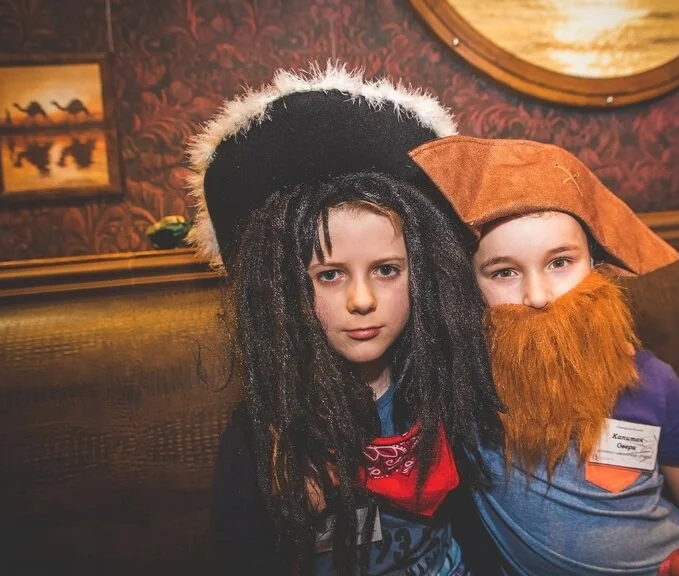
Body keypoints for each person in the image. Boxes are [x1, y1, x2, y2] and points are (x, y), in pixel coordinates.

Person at [186, 67, 503, 576]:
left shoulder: (444, 385)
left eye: (386, 270)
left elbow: (478, 520)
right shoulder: (265, 435)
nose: (361, 300)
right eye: (329, 275)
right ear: (283, 287)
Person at [410, 135, 679, 575]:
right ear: (469, 287)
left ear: (594, 266)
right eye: (505, 272)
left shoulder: (650, 380)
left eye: (559, 263)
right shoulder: (465, 387)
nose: (538, 296)